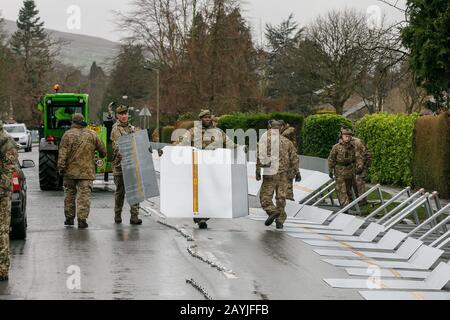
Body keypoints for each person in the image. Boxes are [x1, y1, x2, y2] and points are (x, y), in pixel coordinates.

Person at [177, 109, 238, 229]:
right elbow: (182, 144)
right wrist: (168, 150)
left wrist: (240, 148)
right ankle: (200, 218)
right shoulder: (193, 132)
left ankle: (204, 216)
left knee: (212, 192)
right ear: (201, 119)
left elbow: (229, 144)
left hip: (213, 168)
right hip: (197, 167)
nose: (207, 119)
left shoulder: (218, 132)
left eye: (209, 117)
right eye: (205, 117)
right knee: (199, 192)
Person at [57, 114, 107, 229]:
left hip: (70, 172)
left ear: (73, 122)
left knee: (69, 194)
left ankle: (69, 218)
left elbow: (62, 154)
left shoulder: (67, 135)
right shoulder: (92, 134)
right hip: (87, 172)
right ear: (83, 122)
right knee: (84, 195)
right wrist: (99, 155)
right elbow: (103, 151)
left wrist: (61, 168)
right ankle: (82, 219)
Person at [256, 120, 299, 229]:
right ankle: (280, 219)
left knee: (265, 197)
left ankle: (272, 211)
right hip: (284, 174)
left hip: (270, 173)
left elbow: (260, 156)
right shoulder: (287, 142)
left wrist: (258, 170)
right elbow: (294, 158)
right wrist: (297, 172)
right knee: (281, 198)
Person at [111, 105, 142, 225]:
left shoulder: (132, 128)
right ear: (117, 116)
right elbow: (119, 147)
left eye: (125, 114)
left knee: (134, 191)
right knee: (120, 192)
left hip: (132, 165)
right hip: (120, 166)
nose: (124, 116)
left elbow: (139, 141)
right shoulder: (115, 129)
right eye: (121, 114)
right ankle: (117, 215)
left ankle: (134, 217)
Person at [0, 120, 18, 282]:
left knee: (2, 231)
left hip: (1, 194)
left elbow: (9, 169)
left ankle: (2, 269)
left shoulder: (5, 140)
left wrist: (2, 189)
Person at [328, 127, 362, 207]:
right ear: (341, 136)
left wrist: (359, 167)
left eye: (349, 135)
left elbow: (358, 157)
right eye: (345, 135)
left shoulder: (353, 147)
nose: (347, 137)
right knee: (341, 190)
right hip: (339, 170)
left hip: (350, 170)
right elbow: (331, 158)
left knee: (348, 189)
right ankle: (345, 207)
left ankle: (350, 205)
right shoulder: (336, 147)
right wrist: (330, 169)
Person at [281, 123, 301, 201]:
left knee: (288, 186)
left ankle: (289, 200)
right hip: (286, 165)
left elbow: (294, 158)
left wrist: (297, 171)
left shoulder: (288, 132)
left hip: (288, 165)